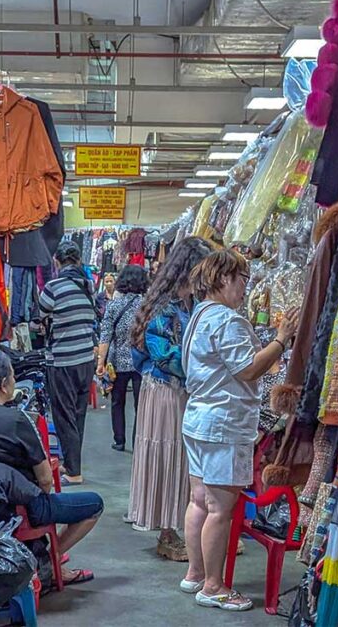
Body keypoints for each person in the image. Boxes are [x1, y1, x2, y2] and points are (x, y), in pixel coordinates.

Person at [179, 250, 298, 611]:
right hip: (223, 424)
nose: (246, 287)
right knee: (220, 507)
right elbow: (247, 369)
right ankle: (213, 585)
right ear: (224, 278)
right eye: (243, 279)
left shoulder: (199, 315)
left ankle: (196, 573)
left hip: (201, 418)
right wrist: (281, 340)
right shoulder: (228, 321)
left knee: (199, 500)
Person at [0, 349, 103, 585]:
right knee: (94, 504)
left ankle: (45, 556)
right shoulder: (17, 421)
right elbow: (45, 480)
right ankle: (50, 560)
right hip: (21, 507)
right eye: (12, 377)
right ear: (3, 385)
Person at [128, 236, 212, 561]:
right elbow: (164, 355)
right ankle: (168, 531)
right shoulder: (167, 307)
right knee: (169, 455)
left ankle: (180, 525)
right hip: (165, 390)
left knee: (180, 457)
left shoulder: (186, 303)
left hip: (178, 389)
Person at [39, 241, 97, 486]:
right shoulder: (89, 286)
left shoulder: (53, 287)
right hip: (86, 359)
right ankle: (73, 464)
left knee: (64, 415)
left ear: (57, 262)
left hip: (62, 360)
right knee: (78, 414)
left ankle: (73, 470)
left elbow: (39, 317)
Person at [95, 265, 148, 452]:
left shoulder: (113, 305)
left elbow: (105, 336)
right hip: (141, 360)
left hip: (116, 361)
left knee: (117, 401)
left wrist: (100, 363)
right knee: (140, 404)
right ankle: (138, 441)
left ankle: (119, 440)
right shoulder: (147, 304)